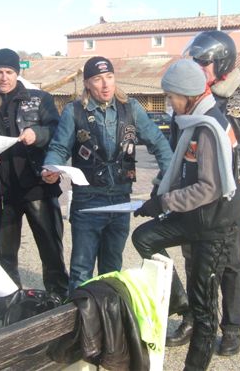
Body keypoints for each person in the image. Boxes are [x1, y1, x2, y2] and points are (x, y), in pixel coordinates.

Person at [166, 30, 240, 355]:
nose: (198, 68)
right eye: (195, 62)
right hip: (192, 194)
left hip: (229, 197)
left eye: (203, 63)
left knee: (229, 264)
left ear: (222, 62)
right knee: (193, 261)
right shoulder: (187, 95)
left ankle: (231, 328)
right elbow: (176, 148)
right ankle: (194, 319)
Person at [132, 59, 240, 370]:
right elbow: (183, 169)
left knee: (205, 307)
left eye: (172, 97)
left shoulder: (208, 128)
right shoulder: (192, 121)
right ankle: (178, 300)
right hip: (196, 217)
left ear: (188, 94)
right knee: (144, 238)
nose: (169, 103)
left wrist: (165, 202)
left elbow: (209, 188)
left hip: (216, 224)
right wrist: (157, 197)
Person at [42, 56, 172, 293]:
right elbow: (59, 148)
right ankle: (81, 315)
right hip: (87, 201)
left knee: (112, 271)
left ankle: (106, 315)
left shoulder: (131, 108)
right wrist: (50, 167)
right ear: (87, 83)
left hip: (121, 200)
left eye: (109, 77)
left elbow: (159, 143)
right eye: (98, 79)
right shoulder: (73, 111)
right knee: (81, 271)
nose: (105, 84)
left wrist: (171, 180)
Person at [0, 48, 69, 322]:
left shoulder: (39, 98)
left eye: (9, 72)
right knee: (5, 256)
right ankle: (10, 310)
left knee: (51, 249)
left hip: (37, 186)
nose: (4, 77)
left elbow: (58, 131)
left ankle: (59, 301)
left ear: (17, 73)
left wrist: (38, 134)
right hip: (1, 191)